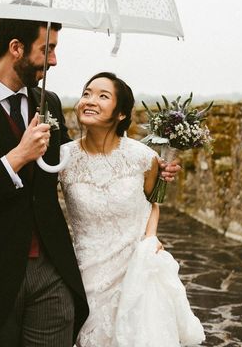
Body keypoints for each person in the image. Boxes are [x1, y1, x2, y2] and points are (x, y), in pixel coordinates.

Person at [0, 18, 181, 347]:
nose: (53, 60)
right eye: (47, 49)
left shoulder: (47, 102)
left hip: (52, 271)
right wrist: (16, 158)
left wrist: (151, 171)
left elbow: (77, 162)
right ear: (16, 49)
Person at [58, 72, 204, 346]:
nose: (90, 100)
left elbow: (151, 203)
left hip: (135, 272)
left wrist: (151, 237)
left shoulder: (143, 157)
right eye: (87, 93)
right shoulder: (63, 158)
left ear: (122, 113)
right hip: (86, 274)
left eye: (103, 96)